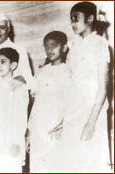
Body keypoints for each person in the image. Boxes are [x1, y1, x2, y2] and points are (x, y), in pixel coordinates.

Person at [63, 2, 111, 172]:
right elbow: (69, 84)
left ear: (90, 19)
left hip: (91, 112)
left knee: (91, 161)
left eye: (76, 19)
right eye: (71, 20)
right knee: (73, 162)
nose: (72, 23)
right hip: (73, 111)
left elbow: (103, 87)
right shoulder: (73, 47)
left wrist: (91, 122)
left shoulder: (99, 43)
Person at [27, 31, 72, 172]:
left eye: (54, 45)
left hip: (57, 127)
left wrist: (65, 123)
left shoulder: (69, 72)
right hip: (39, 128)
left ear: (64, 48)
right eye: (46, 46)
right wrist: (29, 132)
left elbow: (72, 103)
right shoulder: (41, 72)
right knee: (38, 166)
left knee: (57, 165)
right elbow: (36, 104)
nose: (50, 49)